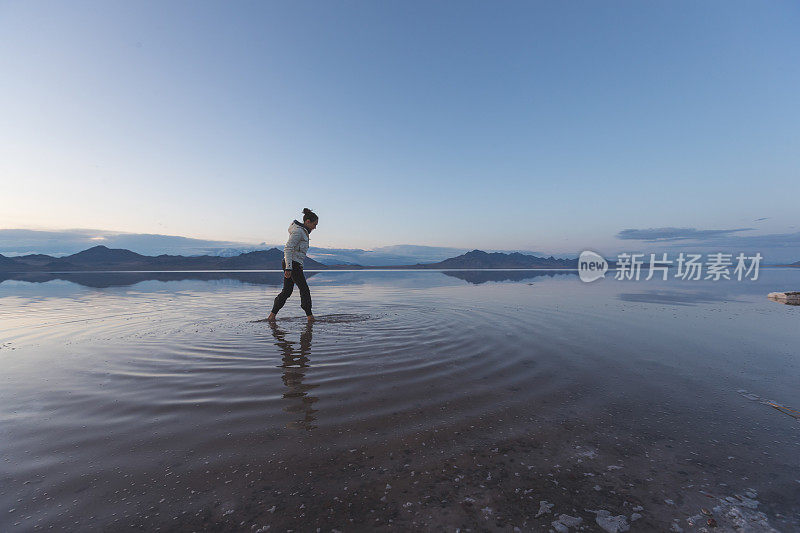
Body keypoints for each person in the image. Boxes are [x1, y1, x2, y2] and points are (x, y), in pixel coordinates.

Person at [268, 208, 318, 322]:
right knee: (304, 289)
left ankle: (272, 316)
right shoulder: (299, 232)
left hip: (293, 264)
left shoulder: (303, 232)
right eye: (314, 224)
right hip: (292, 264)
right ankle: (310, 317)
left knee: (287, 291)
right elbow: (288, 248)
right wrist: (289, 267)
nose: (315, 227)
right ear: (308, 222)